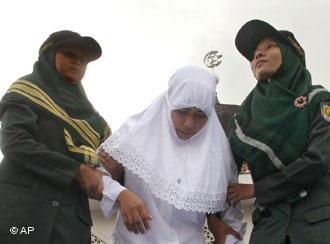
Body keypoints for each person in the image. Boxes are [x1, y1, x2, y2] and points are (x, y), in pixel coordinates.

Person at [97, 65, 245, 243]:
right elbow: (95, 174)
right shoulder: (134, 136)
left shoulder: (218, 157)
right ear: (169, 103)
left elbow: (232, 217)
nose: (190, 123)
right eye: (182, 111)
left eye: (200, 115)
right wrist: (120, 194)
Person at [0, 30, 110, 243]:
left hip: (70, 227)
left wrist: (108, 180)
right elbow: (15, 143)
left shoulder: (95, 121)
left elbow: (109, 163)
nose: (77, 62)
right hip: (20, 221)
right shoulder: (26, 91)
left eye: (83, 60)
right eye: (70, 54)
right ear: (49, 55)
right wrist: (77, 171)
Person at [227, 19, 330, 244]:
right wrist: (214, 219)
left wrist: (258, 189)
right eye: (254, 53)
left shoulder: (318, 99)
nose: (258, 55)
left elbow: (319, 158)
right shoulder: (244, 119)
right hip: (269, 229)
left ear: (290, 54)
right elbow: (222, 167)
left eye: (270, 46)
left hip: (316, 228)